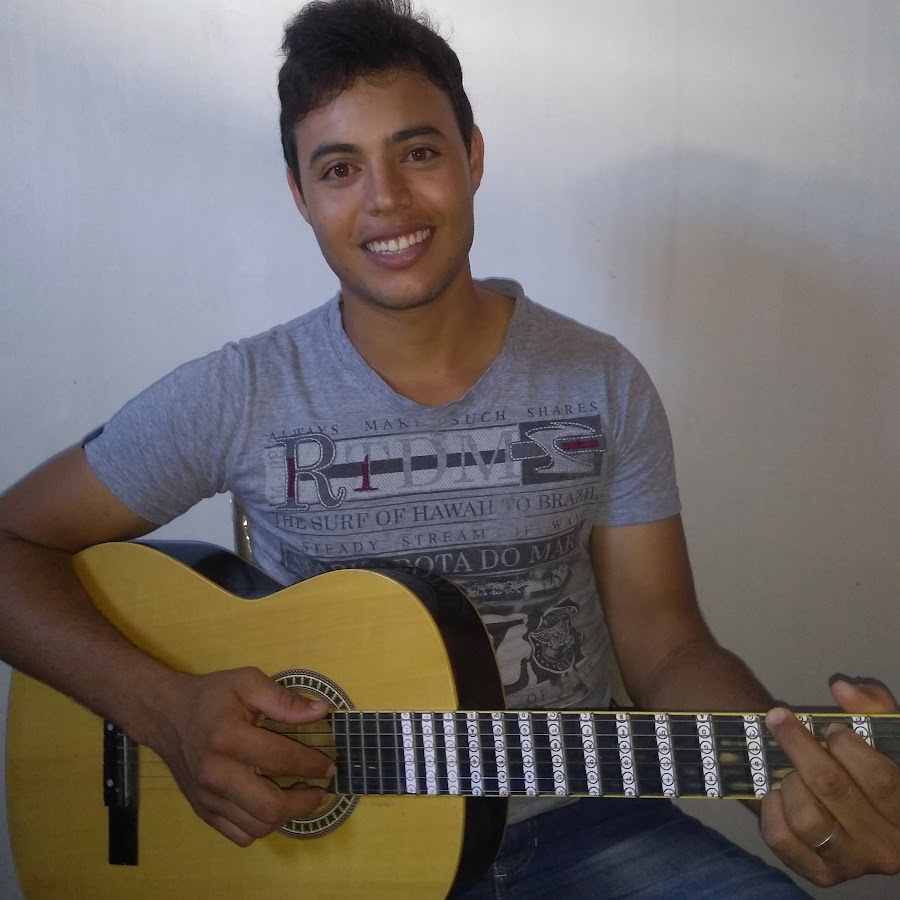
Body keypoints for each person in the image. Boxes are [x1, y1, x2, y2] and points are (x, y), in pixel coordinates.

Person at [0, 0, 897, 896]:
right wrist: (162, 710)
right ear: (300, 195)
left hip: (585, 825)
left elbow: (666, 646)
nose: (386, 199)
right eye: (340, 168)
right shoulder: (240, 394)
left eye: (419, 153)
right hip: (325, 856)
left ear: (472, 156)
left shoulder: (600, 382)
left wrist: (787, 775)